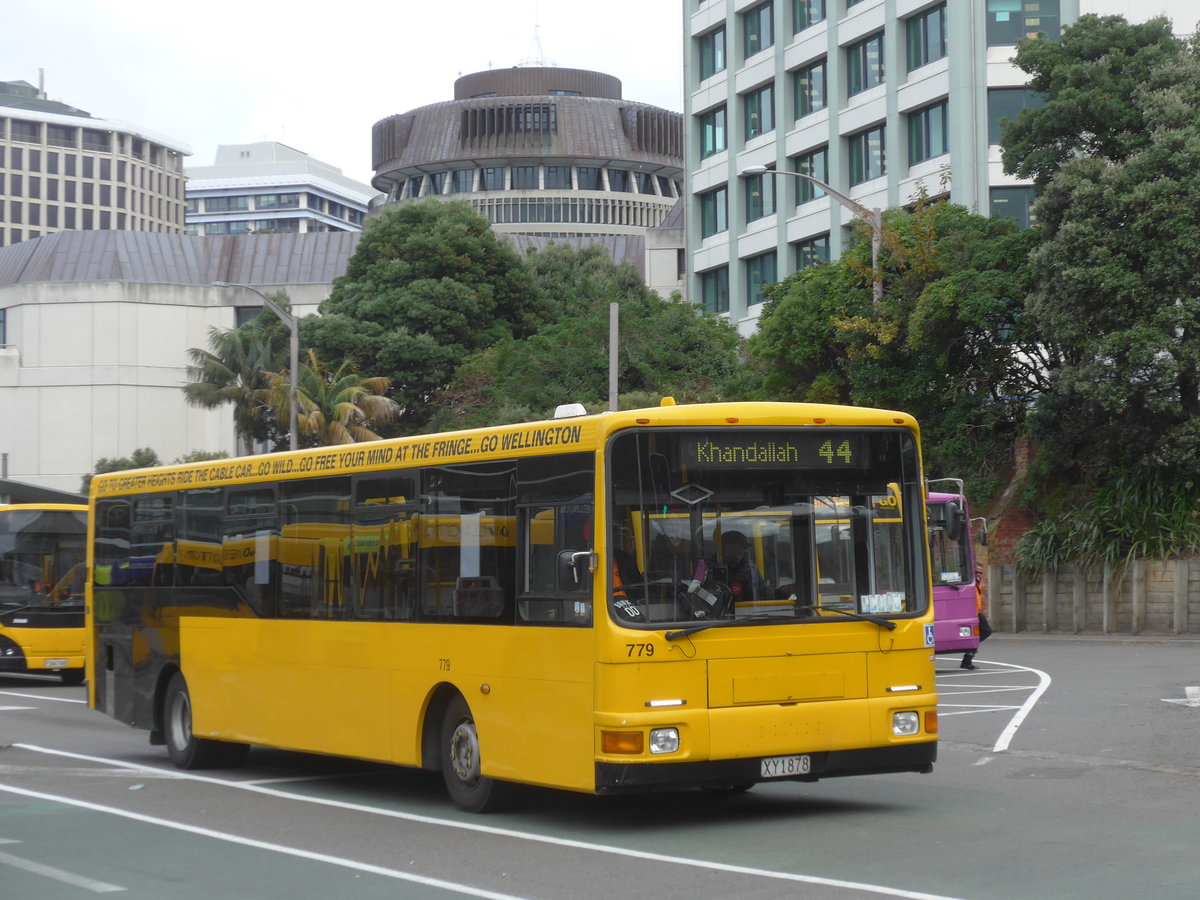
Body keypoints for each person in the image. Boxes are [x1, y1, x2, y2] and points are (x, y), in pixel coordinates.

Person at [718, 530, 772, 604]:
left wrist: (782, 591)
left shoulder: (751, 571)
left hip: (748, 614)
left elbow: (767, 596)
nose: (736, 556)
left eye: (739, 552)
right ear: (721, 550)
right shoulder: (710, 570)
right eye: (732, 551)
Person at [961, 564, 992, 670]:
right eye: (976, 572)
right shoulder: (968, 583)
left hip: (977, 612)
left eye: (980, 572)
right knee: (986, 631)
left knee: (981, 633)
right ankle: (968, 656)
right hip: (972, 613)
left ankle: (967, 658)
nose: (978, 574)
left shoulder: (977, 582)